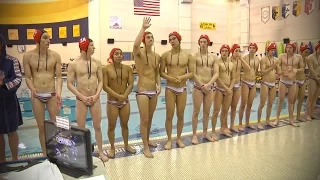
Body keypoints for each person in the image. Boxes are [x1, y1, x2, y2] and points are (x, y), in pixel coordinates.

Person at [67, 37, 108, 161]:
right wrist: (82, 97)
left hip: (95, 98)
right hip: (81, 99)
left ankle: (100, 152)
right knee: (81, 128)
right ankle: (82, 153)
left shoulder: (97, 63)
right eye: (91, 46)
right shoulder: (74, 64)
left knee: (97, 126)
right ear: (84, 47)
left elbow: (101, 81)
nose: (94, 48)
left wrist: (96, 95)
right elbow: (69, 84)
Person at [23, 29, 62, 156]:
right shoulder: (28, 56)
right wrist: (32, 89)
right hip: (37, 95)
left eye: (49, 38)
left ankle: (57, 151)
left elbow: (60, 77)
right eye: (45, 38)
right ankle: (45, 154)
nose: (48, 40)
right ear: (38, 39)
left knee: (56, 125)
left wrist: (59, 92)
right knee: (41, 127)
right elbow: (28, 77)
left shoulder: (55, 55)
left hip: (51, 94)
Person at [160, 31, 194, 149]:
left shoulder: (188, 55)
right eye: (170, 39)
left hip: (182, 88)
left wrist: (181, 77)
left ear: (179, 39)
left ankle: (179, 138)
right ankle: (169, 140)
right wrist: (170, 78)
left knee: (180, 114)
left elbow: (192, 73)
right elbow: (161, 72)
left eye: (174, 38)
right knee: (169, 115)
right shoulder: (165, 55)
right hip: (170, 88)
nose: (172, 41)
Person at [133, 17, 161, 158]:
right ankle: (144, 147)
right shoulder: (139, 54)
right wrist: (143, 28)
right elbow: (136, 45)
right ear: (144, 39)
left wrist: (159, 85)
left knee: (149, 118)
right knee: (144, 119)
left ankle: (148, 140)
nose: (150, 38)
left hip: (153, 91)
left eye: (151, 37)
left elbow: (156, 73)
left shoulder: (157, 56)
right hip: (143, 90)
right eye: (147, 37)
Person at [102, 48, 136, 158]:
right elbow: (105, 86)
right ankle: (112, 148)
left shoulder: (128, 69)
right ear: (112, 56)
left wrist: (124, 96)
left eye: (121, 54)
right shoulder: (106, 69)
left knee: (125, 125)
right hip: (112, 102)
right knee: (111, 126)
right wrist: (118, 96)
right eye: (116, 54)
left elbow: (131, 84)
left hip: (125, 101)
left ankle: (126, 145)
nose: (119, 56)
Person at [191, 34, 219, 144]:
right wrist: (202, 85)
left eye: (204, 42)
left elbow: (216, 73)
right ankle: (194, 135)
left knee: (207, 112)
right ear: (199, 43)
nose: (203, 43)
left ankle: (205, 133)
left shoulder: (214, 57)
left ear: (208, 43)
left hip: (209, 87)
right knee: (196, 112)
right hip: (198, 87)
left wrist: (209, 84)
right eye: (201, 41)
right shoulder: (194, 56)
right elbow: (192, 73)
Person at [0, 34, 23, 163]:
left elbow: (18, 78)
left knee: (12, 131)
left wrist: (4, 83)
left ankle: (15, 159)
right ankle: (2, 161)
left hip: (9, 101)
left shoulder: (12, 60)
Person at [273, 42, 304, 127]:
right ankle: (277, 119)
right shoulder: (281, 56)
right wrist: (281, 72)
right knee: (280, 100)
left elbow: (302, 68)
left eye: (290, 47)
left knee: (291, 102)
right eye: (287, 47)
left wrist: (295, 70)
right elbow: (277, 66)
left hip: (293, 82)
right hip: (283, 81)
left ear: (293, 48)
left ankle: (291, 120)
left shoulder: (298, 57)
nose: (289, 49)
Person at [211, 44, 235, 139]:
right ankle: (213, 132)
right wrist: (226, 88)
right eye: (223, 51)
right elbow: (216, 78)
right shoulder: (217, 63)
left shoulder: (232, 64)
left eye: (226, 51)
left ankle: (222, 128)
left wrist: (230, 88)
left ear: (229, 52)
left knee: (225, 110)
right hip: (219, 89)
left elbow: (233, 78)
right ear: (220, 52)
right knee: (216, 111)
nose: (224, 53)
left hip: (229, 90)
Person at [257, 43, 280, 129]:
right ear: (268, 50)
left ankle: (267, 120)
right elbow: (263, 72)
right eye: (271, 50)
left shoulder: (276, 59)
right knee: (262, 103)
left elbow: (278, 72)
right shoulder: (264, 59)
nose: (273, 52)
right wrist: (273, 66)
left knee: (270, 103)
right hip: (265, 83)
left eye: (274, 50)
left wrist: (285, 71)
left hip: (273, 84)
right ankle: (259, 122)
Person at [238, 43, 260, 131]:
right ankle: (240, 124)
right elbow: (240, 69)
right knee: (243, 104)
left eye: (253, 48)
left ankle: (247, 123)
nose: (251, 49)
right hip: (245, 82)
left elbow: (256, 72)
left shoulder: (257, 59)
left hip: (253, 83)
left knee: (250, 105)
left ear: (256, 49)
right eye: (250, 48)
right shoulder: (244, 58)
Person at [229, 44, 250, 132]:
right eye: (236, 51)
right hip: (229, 86)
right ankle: (224, 126)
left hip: (237, 85)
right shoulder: (228, 60)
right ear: (232, 51)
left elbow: (248, 69)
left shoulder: (239, 60)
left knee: (234, 107)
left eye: (238, 51)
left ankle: (232, 125)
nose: (237, 53)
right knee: (226, 108)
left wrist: (241, 59)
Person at [294, 44, 309, 122]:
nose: (307, 54)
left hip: (303, 81)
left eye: (307, 52)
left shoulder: (306, 59)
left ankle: (298, 116)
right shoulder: (296, 58)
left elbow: (305, 70)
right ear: (301, 51)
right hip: (296, 81)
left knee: (301, 99)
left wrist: (306, 76)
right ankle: (291, 117)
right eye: (305, 52)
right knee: (293, 100)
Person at [305, 42, 320, 121]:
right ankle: (307, 115)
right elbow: (311, 69)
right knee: (310, 98)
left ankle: (312, 114)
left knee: (315, 98)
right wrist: (317, 79)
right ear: (316, 49)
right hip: (312, 79)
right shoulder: (310, 57)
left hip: (319, 79)